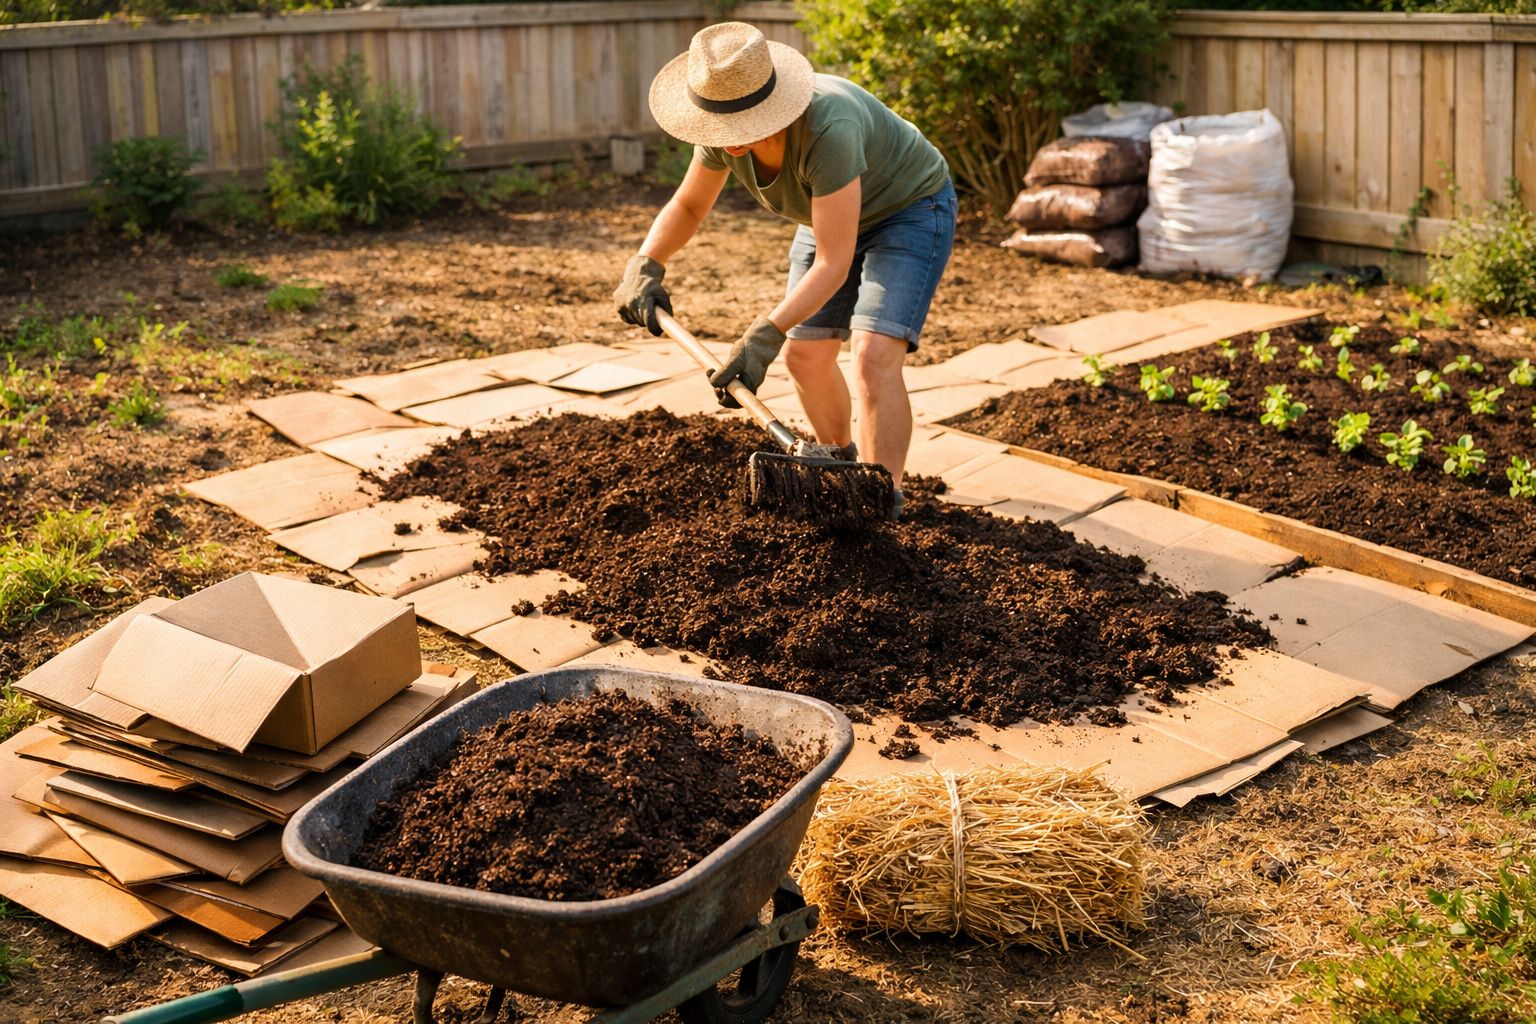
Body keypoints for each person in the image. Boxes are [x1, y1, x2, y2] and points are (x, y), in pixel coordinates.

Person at [612, 22, 956, 520]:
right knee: (805, 358)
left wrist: (763, 333)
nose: (728, 138)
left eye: (741, 124)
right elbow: (688, 206)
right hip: (829, 214)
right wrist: (645, 263)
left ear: (770, 109)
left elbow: (834, 263)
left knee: (873, 356)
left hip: (910, 209)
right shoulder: (721, 131)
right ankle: (839, 469)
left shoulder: (828, 128)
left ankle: (882, 500)